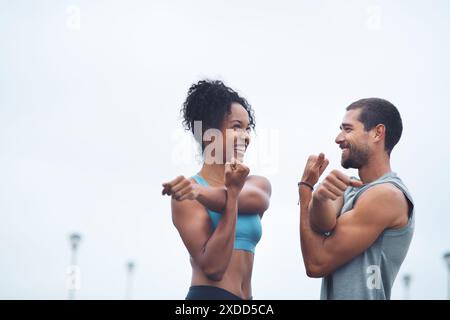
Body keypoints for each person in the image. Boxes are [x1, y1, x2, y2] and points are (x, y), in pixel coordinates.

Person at [162, 80, 271, 300]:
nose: (246, 136)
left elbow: (254, 199)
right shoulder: (185, 196)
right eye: (236, 127)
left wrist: (200, 193)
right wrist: (229, 195)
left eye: (248, 128)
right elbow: (213, 268)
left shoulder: (256, 184)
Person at [298, 98, 414, 299]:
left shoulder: (386, 195)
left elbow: (316, 263)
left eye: (348, 129)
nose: (338, 138)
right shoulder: (349, 188)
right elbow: (322, 223)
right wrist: (318, 198)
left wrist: (306, 190)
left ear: (378, 133)